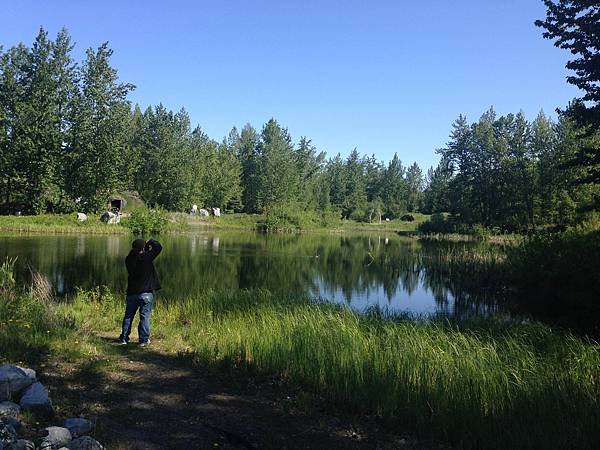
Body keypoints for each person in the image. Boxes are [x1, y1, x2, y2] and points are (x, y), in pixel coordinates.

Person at [118, 238, 162, 346]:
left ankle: (124, 338)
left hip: (132, 292)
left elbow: (140, 255)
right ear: (142, 247)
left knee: (128, 316)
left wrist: (145, 247)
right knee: (144, 317)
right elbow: (158, 247)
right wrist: (150, 241)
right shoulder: (146, 258)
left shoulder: (128, 259)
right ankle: (143, 340)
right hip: (146, 293)